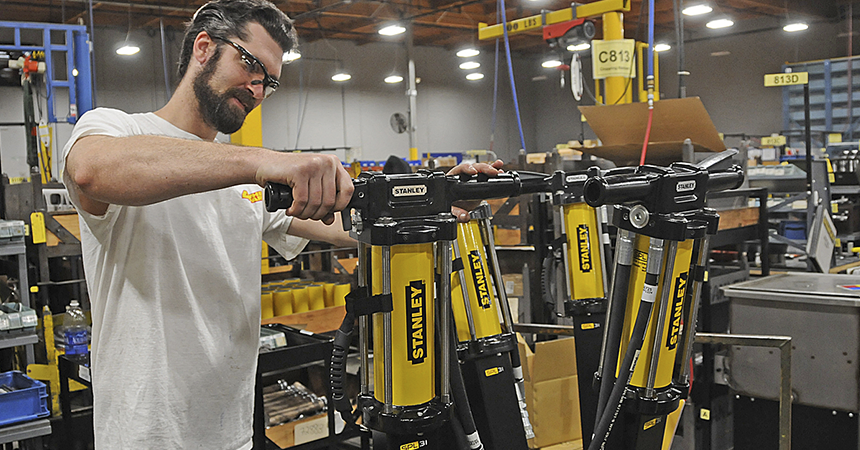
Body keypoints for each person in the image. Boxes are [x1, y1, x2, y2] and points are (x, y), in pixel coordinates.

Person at [61, 0, 503, 448]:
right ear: (203, 48)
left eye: (268, 81)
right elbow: (91, 172)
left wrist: (437, 201)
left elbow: (353, 222)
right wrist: (265, 160)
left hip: (231, 432)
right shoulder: (118, 128)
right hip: (145, 434)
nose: (256, 88)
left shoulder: (246, 181)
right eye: (250, 64)